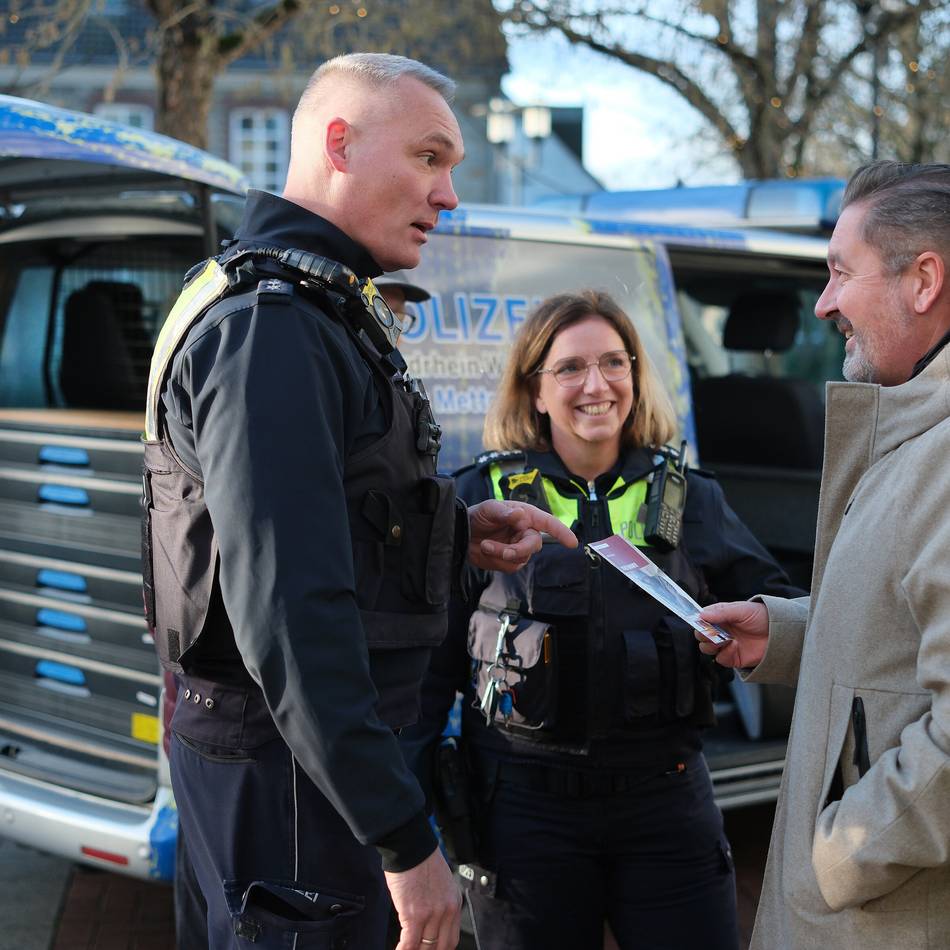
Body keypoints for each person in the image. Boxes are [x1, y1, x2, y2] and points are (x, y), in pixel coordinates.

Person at [141, 53, 576, 950]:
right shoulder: (275, 326)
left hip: (294, 762)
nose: (448, 194)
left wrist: (455, 532)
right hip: (298, 775)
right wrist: (404, 838)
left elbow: (327, 520)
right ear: (338, 143)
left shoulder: (309, 310)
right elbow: (290, 613)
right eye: (428, 158)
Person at [399, 289, 800, 949]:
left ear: (637, 378)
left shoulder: (692, 499)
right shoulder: (480, 501)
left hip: (665, 802)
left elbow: (773, 614)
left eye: (616, 363)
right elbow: (423, 678)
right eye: (570, 368)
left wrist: (751, 628)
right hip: (522, 814)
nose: (597, 384)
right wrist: (410, 834)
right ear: (533, 390)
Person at [697, 161, 950, 950]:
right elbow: (899, 625)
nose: (823, 304)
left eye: (841, 273)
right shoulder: (910, 429)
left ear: (924, 280)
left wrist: (843, 855)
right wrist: (790, 634)